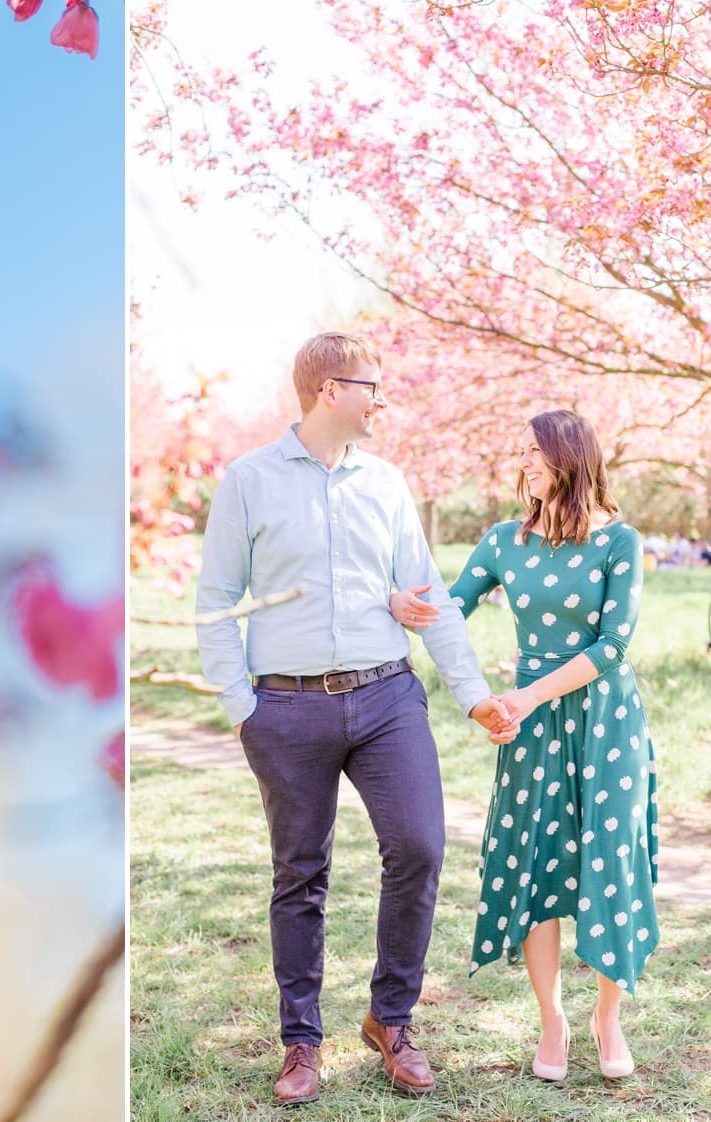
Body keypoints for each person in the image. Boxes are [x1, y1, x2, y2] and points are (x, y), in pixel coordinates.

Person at [195, 332, 518, 1104]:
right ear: (328, 389)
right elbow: (214, 604)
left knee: (419, 847)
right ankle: (301, 1043)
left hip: (386, 698)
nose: (381, 399)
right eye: (371, 386)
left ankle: (390, 1019)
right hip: (285, 708)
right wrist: (244, 709)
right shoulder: (248, 481)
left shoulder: (386, 483)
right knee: (299, 875)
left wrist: (471, 691)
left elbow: (426, 594)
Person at [392, 409, 659, 1083]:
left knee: (607, 861)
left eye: (534, 454)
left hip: (604, 719)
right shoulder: (504, 540)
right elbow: (451, 608)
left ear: (569, 459)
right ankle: (552, 1020)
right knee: (538, 865)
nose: (525, 465)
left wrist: (530, 695)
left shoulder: (619, 541)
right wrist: (404, 605)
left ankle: (607, 1018)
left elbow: (614, 645)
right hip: (532, 726)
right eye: (522, 454)